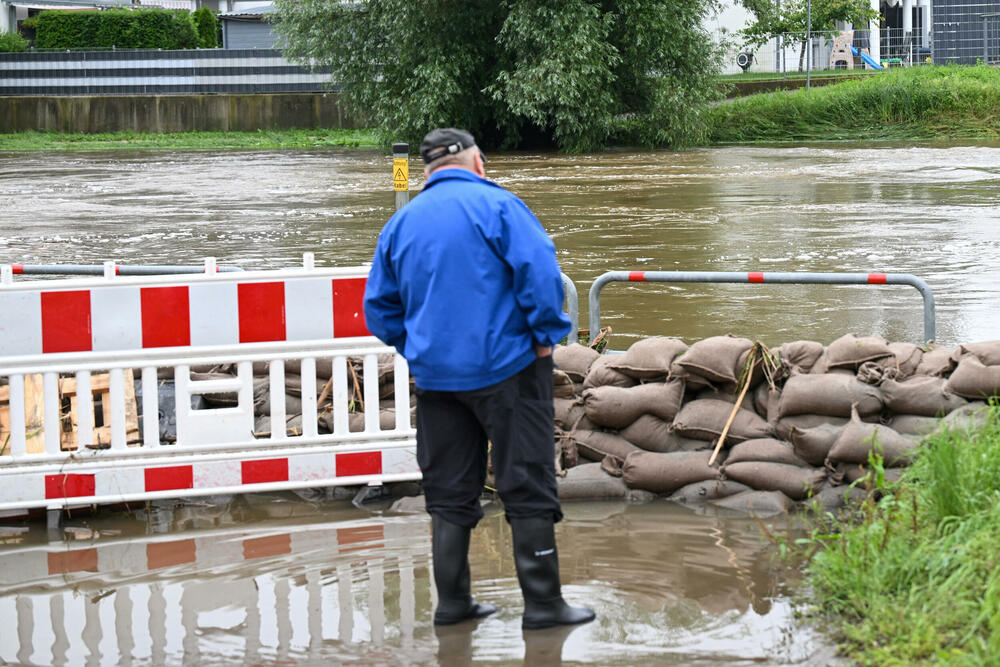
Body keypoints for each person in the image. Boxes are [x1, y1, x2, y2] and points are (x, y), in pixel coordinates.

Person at [363, 128, 595, 630]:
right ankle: (544, 606)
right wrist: (545, 337)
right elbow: (540, 276)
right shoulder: (501, 208)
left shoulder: (400, 224)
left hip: (437, 380)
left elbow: (379, 310)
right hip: (509, 370)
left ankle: (452, 605)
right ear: (479, 163)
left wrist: (418, 347)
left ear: (426, 172)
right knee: (526, 479)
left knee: (448, 489)